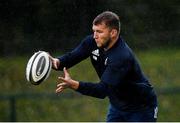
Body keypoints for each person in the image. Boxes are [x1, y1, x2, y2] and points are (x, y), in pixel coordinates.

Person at [49, 11, 158, 122]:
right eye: (94, 31)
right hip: (117, 105)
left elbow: (102, 90)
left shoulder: (121, 57)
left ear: (113, 33)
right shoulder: (92, 42)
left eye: (99, 32)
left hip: (141, 108)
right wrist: (56, 62)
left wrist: (74, 85)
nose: (95, 36)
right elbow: (72, 57)